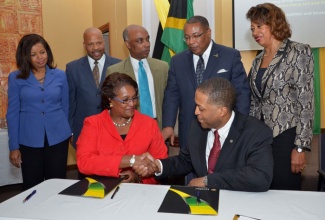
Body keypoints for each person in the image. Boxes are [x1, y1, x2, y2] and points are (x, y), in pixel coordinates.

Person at [134, 77, 273, 192]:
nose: (195, 112)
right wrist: (158, 165)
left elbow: (260, 177)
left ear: (222, 111)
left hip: (237, 202)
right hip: (203, 203)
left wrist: (208, 181)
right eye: (196, 106)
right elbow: (186, 160)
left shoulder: (256, 132)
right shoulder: (197, 127)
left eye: (201, 108)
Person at [246, 3, 314, 190]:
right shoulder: (258, 59)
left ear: (274, 24)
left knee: (285, 192)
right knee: (263, 191)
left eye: (260, 26)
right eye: (252, 28)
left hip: (286, 137)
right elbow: (254, 101)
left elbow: (306, 103)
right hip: (260, 140)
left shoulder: (298, 51)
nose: (255, 32)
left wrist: (300, 147)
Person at [162, 15, 250, 150]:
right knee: (188, 167)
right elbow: (171, 95)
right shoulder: (177, 61)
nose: (191, 41)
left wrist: (240, 125)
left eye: (196, 36)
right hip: (189, 129)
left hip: (222, 128)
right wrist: (168, 125)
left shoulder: (230, 56)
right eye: (187, 37)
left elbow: (242, 93)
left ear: (208, 32)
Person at [76, 72, 168, 184]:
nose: (132, 104)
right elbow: (84, 162)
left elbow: (161, 161)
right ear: (110, 100)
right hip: (102, 189)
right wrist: (130, 160)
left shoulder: (148, 123)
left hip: (141, 191)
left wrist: (138, 176)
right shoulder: (93, 124)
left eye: (134, 98)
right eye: (125, 100)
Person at [6, 34, 71, 190]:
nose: (40, 58)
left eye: (42, 52)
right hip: (29, 140)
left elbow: (65, 106)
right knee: (32, 185)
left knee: (57, 184)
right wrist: (13, 146)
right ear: (25, 57)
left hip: (58, 138)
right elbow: (13, 113)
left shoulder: (60, 75)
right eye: (33, 54)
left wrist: (68, 131)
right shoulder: (16, 78)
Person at [66, 27, 121, 148]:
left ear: (104, 42)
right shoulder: (73, 68)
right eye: (91, 44)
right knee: (86, 166)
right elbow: (70, 103)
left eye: (99, 43)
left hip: (113, 130)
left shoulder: (118, 65)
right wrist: (70, 131)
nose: (95, 48)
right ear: (84, 45)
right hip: (83, 131)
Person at [106, 25, 168, 129]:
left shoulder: (162, 67)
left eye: (147, 39)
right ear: (128, 44)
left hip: (159, 128)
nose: (147, 44)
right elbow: (112, 106)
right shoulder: (115, 71)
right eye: (140, 41)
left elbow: (169, 100)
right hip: (130, 129)